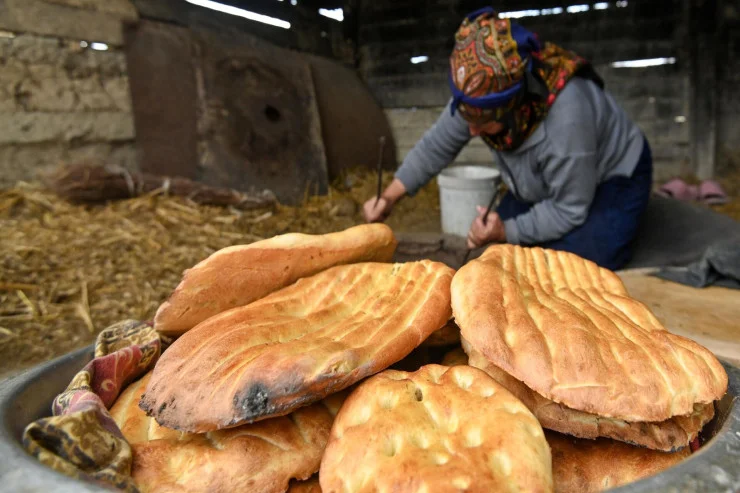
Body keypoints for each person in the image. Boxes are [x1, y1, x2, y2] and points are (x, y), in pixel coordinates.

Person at [363, 7, 652, 271]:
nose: (472, 132)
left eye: (483, 124)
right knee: (499, 253)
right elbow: (435, 146)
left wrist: (507, 229)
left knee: (580, 262)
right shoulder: (479, 95)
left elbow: (568, 209)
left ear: (513, 109)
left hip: (614, 174)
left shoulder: (566, 118)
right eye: (468, 122)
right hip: (546, 179)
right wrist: (389, 197)